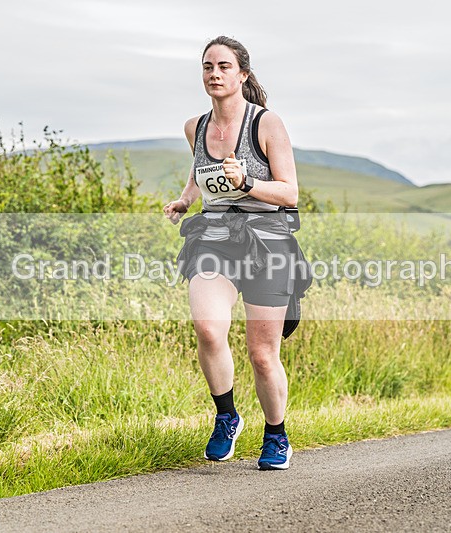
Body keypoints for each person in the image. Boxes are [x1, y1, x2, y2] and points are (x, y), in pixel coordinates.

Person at [163, 35, 302, 470]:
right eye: (207, 67)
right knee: (207, 328)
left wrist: (246, 184)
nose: (214, 74)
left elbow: (291, 192)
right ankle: (226, 415)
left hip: (267, 240)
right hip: (215, 237)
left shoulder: (266, 124)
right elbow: (199, 171)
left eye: (223, 66)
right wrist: (186, 199)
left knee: (262, 355)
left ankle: (276, 435)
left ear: (242, 74)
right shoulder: (196, 127)